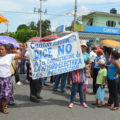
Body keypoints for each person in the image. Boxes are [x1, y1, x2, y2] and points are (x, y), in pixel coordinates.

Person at [0, 44, 24, 114]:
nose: (0, 51)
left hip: (6, 78)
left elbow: (20, 56)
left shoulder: (9, 56)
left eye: (2, 49)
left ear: (6, 50)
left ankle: (3, 108)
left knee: (5, 94)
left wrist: (23, 49)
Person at [69, 42, 90, 108]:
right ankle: (72, 102)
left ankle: (82, 102)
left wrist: (86, 66)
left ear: (86, 47)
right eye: (81, 46)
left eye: (84, 46)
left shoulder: (87, 55)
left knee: (81, 89)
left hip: (82, 73)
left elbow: (89, 63)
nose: (83, 47)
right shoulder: (75, 53)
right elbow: (71, 61)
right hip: (75, 73)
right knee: (74, 88)